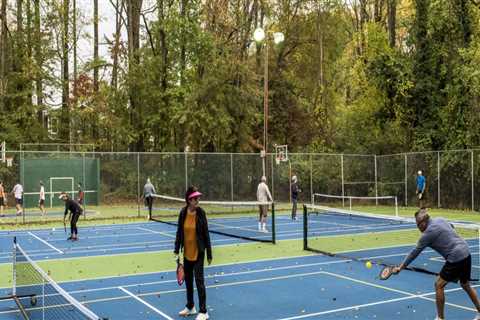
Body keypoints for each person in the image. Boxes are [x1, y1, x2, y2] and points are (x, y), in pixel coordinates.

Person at [393, 208, 480, 320]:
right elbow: (451, 227)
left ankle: (440, 317)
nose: (418, 227)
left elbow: (414, 252)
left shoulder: (427, 234)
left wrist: (400, 267)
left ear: (423, 222)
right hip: (466, 251)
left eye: (418, 224)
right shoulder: (440, 219)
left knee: (438, 285)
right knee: (465, 284)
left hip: (456, 257)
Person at [174, 186, 212, 320]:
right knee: (188, 282)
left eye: (198, 198)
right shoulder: (183, 213)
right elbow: (179, 232)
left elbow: (206, 234)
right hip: (186, 253)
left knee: (199, 281)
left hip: (199, 253)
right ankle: (190, 307)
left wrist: (209, 253)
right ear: (189, 200)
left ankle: (203, 311)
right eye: (195, 198)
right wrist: (176, 250)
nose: (198, 200)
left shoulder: (201, 213)